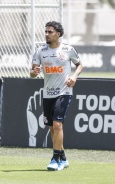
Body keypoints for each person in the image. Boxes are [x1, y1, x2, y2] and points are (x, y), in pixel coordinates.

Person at [30, 21, 83, 171]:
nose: (46, 34)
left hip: (64, 92)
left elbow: (79, 64)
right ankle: (63, 158)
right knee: (52, 128)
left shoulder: (68, 50)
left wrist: (74, 77)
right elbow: (32, 73)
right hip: (48, 94)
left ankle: (55, 158)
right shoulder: (40, 51)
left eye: (50, 32)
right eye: (45, 32)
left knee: (58, 124)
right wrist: (34, 72)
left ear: (58, 34)